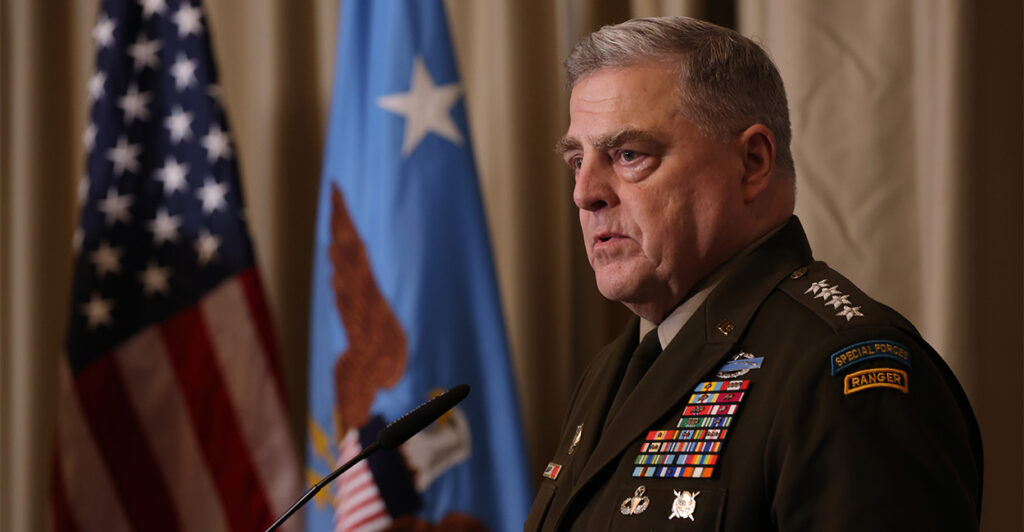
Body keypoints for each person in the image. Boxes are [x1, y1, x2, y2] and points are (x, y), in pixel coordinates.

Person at [525, 16, 982, 531]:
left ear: (752, 162)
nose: (585, 193)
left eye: (629, 155)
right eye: (576, 161)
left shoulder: (841, 374)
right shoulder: (615, 368)